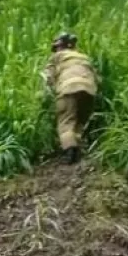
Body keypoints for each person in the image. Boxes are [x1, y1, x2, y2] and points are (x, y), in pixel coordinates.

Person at [43, 32, 99, 164]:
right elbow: (97, 77)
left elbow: (47, 78)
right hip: (89, 90)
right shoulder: (84, 57)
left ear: (59, 47)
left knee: (66, 122)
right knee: (80, 122)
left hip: (68, 89)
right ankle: (77, 148)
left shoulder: (57, 57)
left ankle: (70, 152)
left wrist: (47, 94)